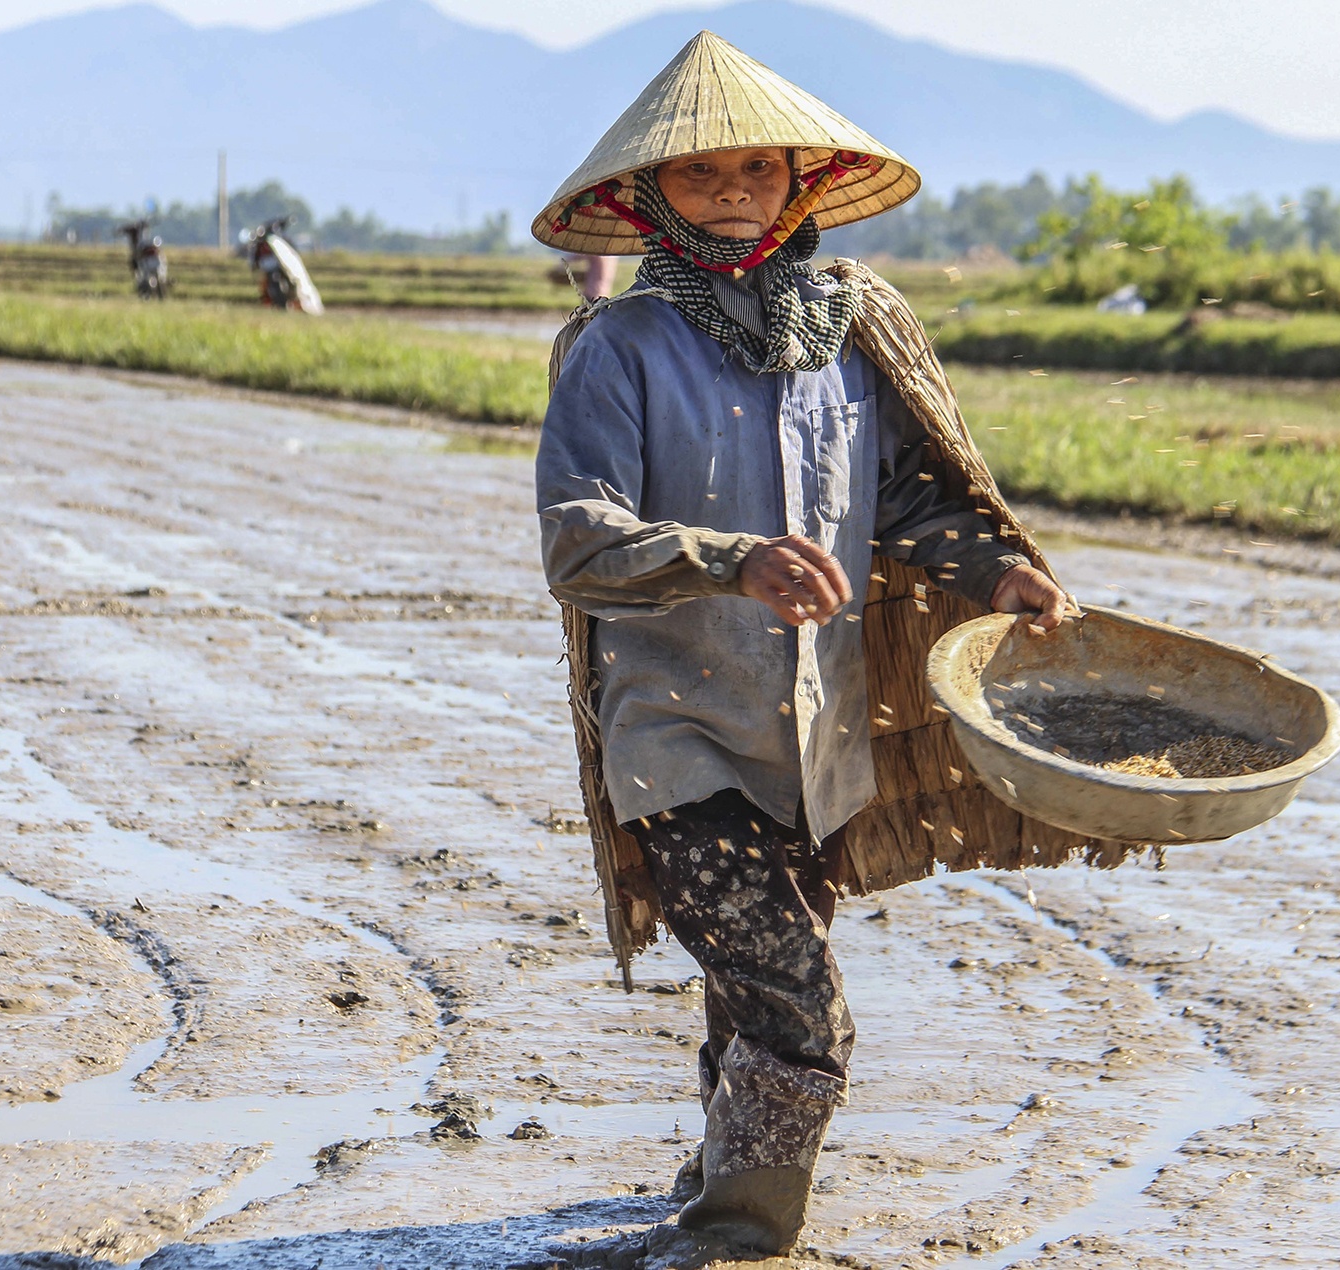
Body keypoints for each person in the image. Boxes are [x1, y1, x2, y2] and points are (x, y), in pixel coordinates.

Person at [533, 32, 1079, 1267]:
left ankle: (714, 1166)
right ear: (645, 196)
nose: (732, 187)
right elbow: (579, 543)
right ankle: (737, 1231)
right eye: (700, 170)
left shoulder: (851, 337)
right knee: (796, 993)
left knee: (751, 966)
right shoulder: (615, 351)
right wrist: (734, 557)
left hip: (818, 733)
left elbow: (911, 503)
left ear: (802, 184)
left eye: (757, 169)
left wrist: (997, 570)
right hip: (678, 732)